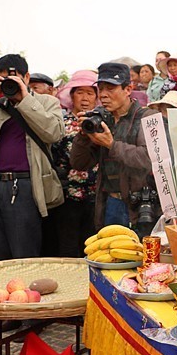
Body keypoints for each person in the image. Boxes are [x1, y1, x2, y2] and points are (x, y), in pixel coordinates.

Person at [0, 54, 64, 260]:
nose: (9, 84)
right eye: (2, 80)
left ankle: (25, 291)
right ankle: (6, 291)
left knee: (24, 252)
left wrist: (24, 100)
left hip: (27, 185)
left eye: (14, 79)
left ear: (26, 77)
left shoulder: (46, 102)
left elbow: (54, 133)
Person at [70, 63, 160, 236]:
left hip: (141, 206)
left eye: (110, 88)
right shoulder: (103, 120)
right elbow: (79, 163)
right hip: (109, 203)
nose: (103, 95)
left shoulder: (148, 117)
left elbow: (151, 159)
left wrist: (112, 145)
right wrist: (83, 135)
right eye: (101, 88)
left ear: (128, 89)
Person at [51, 71, 99, 257]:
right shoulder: (61, 122)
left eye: (90, 93)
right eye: (80, 92)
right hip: (67, 196)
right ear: (72, 96)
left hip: (96, 196)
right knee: (68, 246)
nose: (85, 98)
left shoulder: (101, 122)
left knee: (93, 247)